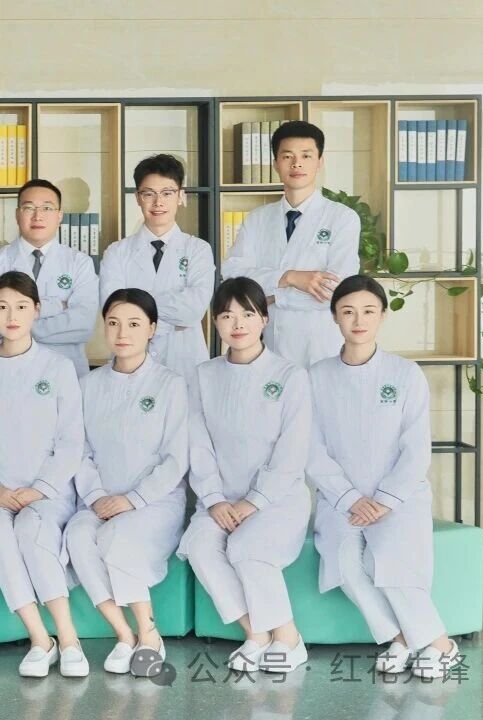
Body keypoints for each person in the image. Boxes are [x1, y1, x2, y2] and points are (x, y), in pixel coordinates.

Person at [309, 275, 461, 679]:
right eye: (348, 311)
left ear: (382, 316)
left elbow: (416, 449)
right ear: (334, 317)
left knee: (390, 561)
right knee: (344, 565)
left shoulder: (405, 373)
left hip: (399, 498)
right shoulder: (316, 376)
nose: (358, 320)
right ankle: (405, 638)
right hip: (340, 500)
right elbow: (311, 448)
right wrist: (349, 498)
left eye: (368, 311)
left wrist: (384, 501)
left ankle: (439, 645)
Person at [176, 277, 312, 674]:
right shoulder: (203, 375)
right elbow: (198, 445)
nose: (237, 324)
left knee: (247, 548)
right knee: (200, 546)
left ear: (264, 319)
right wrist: (214, 500)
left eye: (247, 314)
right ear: (215, 323)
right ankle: (256, 635)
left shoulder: (289, 376)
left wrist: (253, 502)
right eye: (226, 315)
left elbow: (291, 452)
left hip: (277, 501)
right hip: (219, 499)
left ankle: (289, 638)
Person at [0, 270, 87, 677]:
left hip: (47, 492)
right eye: (2, 307)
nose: (11, 316)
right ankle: (39, 639)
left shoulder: (58, 367)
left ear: (37, 310)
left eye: (21, 306)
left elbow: (71, 441)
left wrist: (39, 489)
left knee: (32, 527)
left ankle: (68, 638)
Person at [63, 288, 189, 676]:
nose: (123, 333)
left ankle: (149, 633)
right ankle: (123, 633)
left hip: (155, 501)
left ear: (152, 328)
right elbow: (78, 449)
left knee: (119, 537)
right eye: (114, 323)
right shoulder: (88, 385)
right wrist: (97, 495)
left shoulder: (170, 385)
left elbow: (176, 458)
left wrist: (133, 499)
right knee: (77, 536)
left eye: (134, 324)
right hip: (99, 499)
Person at [221, 120, 360, 368]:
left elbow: (335, 290)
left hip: (320, 346)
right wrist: (290, 278)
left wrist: (271, 296)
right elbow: (234, 275)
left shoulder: (342, 218)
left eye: (306, 155)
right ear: (276, 163)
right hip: (268, 345)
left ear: (320, 162)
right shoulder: (257, 218)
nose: (297, 164)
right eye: (287, 156)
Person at [98, 154, 213, 377]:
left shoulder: (198, 249)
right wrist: (173, 321)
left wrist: (137, 313)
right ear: (137, 198)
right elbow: (113, 310)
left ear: (180, 196)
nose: (158, 202)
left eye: (167, 193)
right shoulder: (117, 252)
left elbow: (193, 311)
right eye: (149, 194)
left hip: (184, 363)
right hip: (131, 363)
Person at [0, 179, 99, 377]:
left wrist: (17, 325)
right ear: (17, 215)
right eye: (29, 208)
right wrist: (57, 306)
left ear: (59, 216)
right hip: (8, 368)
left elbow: (83, 325)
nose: (37, 216)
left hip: (65, 370)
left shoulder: (80, 263)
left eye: (47, 208)